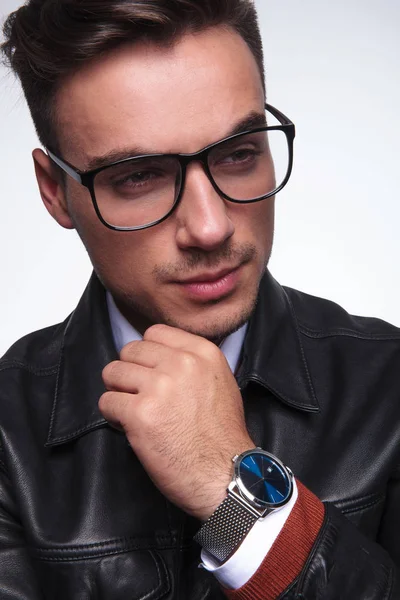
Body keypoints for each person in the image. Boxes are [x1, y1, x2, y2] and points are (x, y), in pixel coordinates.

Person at [0, 1, 399, 598]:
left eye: (238, 154)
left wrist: (234, 495)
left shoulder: (389, 383)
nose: (210, 228)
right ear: (56, 192)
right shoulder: (7, 433)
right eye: (139, 175)